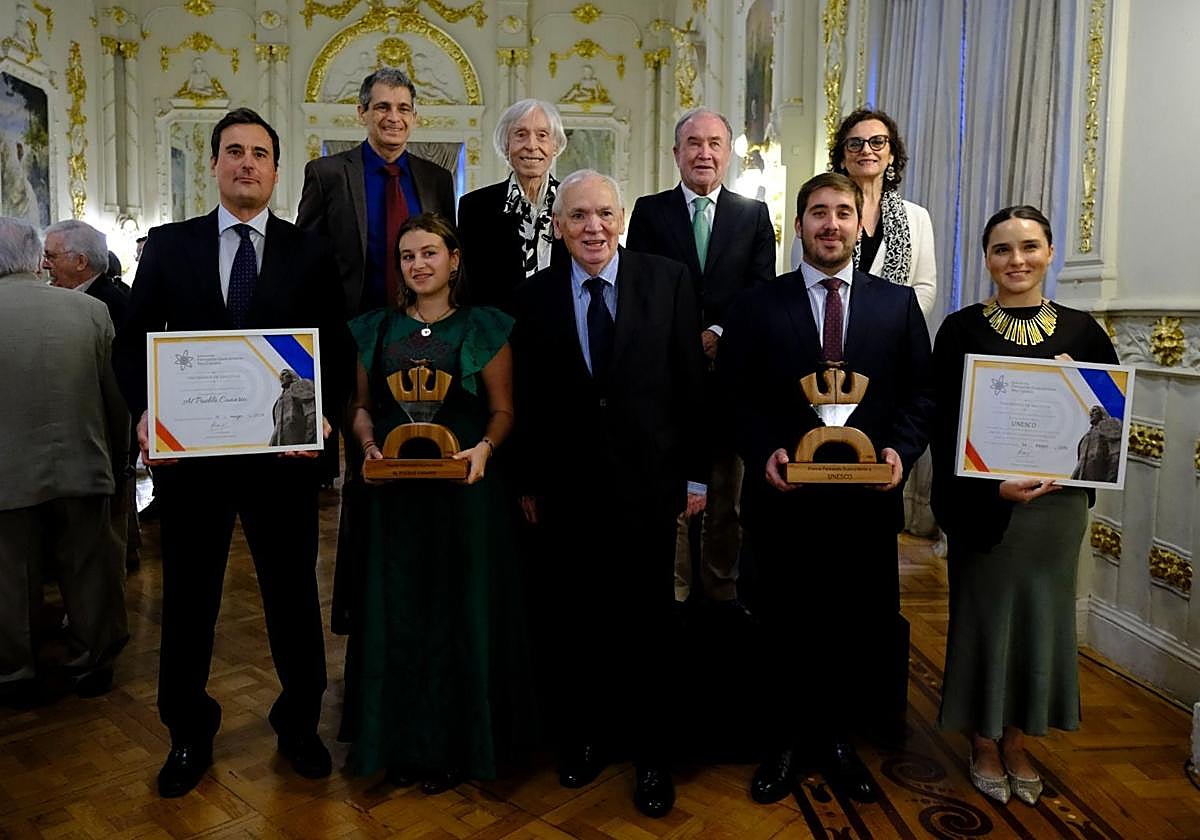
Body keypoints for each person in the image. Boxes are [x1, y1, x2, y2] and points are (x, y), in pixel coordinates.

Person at [113, 108, 353, 799]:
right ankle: (188, 730)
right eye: (233, 152)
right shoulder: (168, 245)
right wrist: (147, 412)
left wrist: (326, 417)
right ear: (215, 164)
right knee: (188, 601)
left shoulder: (308, 251)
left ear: (276, 170)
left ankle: (299, 723)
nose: (246, 163)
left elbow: (332, 344)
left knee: (292, 598)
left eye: (259, 154)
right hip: (193, 464)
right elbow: (133, 343)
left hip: (285, 459)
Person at [720, 173, 933, 805]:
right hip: (784, 500)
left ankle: (839, 742)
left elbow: (922, 394)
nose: (831, 224)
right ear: (800, 225)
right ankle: (783, 743)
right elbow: (734, 395)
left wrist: (901, 450)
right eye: (818, 213)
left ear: (858, 225)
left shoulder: (896, 306)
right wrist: (765, 452)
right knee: (782, 623)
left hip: (864, 504)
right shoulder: (758, 303)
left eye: (843, 212)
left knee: (852, 624)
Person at [510, 170, 708, 819]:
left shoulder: (668, 279)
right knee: (578, 620)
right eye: (578, 217)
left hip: (648, 487)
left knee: (648, 623)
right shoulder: (533, 296)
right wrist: (531, 481)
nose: (592, 227)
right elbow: (531, 400)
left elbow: (688, 385)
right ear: (560, 226)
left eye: (603, 214)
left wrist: (697, 476)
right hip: (567, 491)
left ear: (621, 218)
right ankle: (587, 737)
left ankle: (653, 755)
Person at [931, 205, 1118, 806]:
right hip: (990, 509)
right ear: (986, 258)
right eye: (1003, 250)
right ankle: (982, 740)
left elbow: (1109, 425)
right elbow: (943, 425)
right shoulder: (959, 329)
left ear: (1050, 252)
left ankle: (1017, 741)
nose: (1017, 261)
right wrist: (991, 489)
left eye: (1030, 247)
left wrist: (1085, 412)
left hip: (1056, 514)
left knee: (1042, 623)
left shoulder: (1084, 331)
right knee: (985, 620)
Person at [342, 212, 533, 793]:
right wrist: (370, 448)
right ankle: (399, 744)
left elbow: (504, 410)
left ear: (454, 260)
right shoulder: (373, 329)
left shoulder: (486, 327)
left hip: (466, 497)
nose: (419, 264)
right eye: (407, 256)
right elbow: (359, 406)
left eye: (430, 253)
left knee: (459, 613)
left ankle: (456, 745)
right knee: (399, 616)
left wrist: (484, 449)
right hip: (395, 502)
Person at [627, 106, 776, 608]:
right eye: (693, 143)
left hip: (730, 376)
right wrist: (681, 337)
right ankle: (673, 594)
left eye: (714, 143)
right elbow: (640, 287)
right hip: (667, 376)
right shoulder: (649, 211)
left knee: (724, 496)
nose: (704, 152)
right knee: (670, 492)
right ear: (676, 153)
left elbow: (760, 290)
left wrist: (716, 330)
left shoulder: (753, 215)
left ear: (728, 153)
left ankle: (720, 593)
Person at [0, 216, 129, 706]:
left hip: (6, 475)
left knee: (10, 577)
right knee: (89, 570)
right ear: (35, 259)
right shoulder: (88, 312)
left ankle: (16, 672)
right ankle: (92, 662)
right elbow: (114, 399)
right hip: (84, 463)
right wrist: (118, 459)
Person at [296, 66, 457, 318]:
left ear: (414, 116)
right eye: (383, 107)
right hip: (348, 327)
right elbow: (305, 256)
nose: (394, 117)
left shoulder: (437, 179)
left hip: (423, 325)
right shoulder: (327, 174)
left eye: (403, 108)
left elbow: (449, 257)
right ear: (362, 113)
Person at [42, 220, 139, 573]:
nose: (44, 264)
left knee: (105, 535)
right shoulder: (95, 298)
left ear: (80, 261)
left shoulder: (104, 305)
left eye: (51, 256)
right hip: (102, 439)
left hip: (105, 439)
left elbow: (114, 382)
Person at [457, 98, 569, 315]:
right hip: (498, 336)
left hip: (562, 335)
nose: (532, 145)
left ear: (555, 146)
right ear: (505, 145)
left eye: (542, 135)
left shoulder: (573, 205)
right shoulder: (475, 208)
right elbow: (470, 287)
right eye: (520, 134)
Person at [821, 108, 936, 315]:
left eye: (877, 142)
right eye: (855, 144)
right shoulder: (821, 214)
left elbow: (925, 287)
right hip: (832, 329)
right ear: (841, 159)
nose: (866, 150)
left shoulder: (917, 217)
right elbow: (806, 276)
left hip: (895, 335)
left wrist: (892, 324)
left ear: (891, 155)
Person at [1071, 405, 1121, 482]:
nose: (1091, 413)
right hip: (1083, 480)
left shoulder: (1109, 426)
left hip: (1100, 478)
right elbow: (1080, 462)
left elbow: (1115, 454)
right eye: (1090, 412)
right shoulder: (1084, 438)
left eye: (1094, 411)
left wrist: (1111, 479)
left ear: (1102, 413)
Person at [268, 369, 317, 447]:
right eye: (282, 376)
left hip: (298, 440)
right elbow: (277, 427)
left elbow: (311, 412)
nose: (283, 376)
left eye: (286, 374)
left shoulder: (301, 385)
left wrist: (310, 440)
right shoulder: (278, 402)